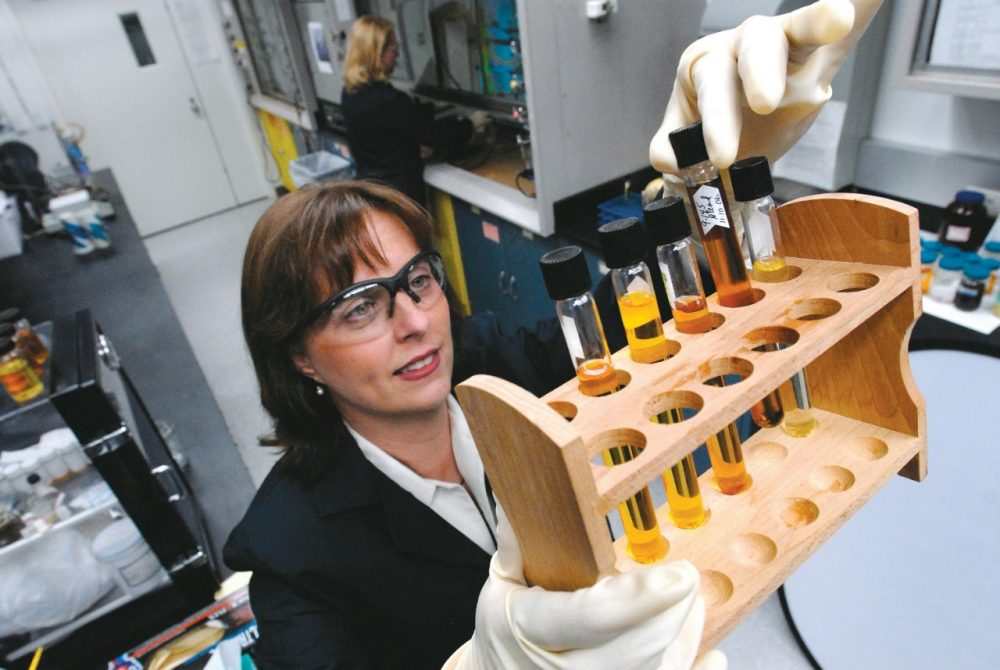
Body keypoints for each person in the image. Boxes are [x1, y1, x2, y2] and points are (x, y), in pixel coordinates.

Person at [223, 180, 716, 669]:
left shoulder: (490, 365)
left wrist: (699, 200)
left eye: (417, 280)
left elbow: (618, 322)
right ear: (300, 357)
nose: (415, 322)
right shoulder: (291, 554)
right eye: (361, 308)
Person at [341, 16, 476, 206]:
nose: (396, 55)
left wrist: (422, 111)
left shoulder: (350, 92)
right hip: (399, 197)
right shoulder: (387, 100)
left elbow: (395, 123)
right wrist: (469, 124)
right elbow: (436, 136)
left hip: (372, 192)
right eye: (392, 49)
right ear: (377, 53)